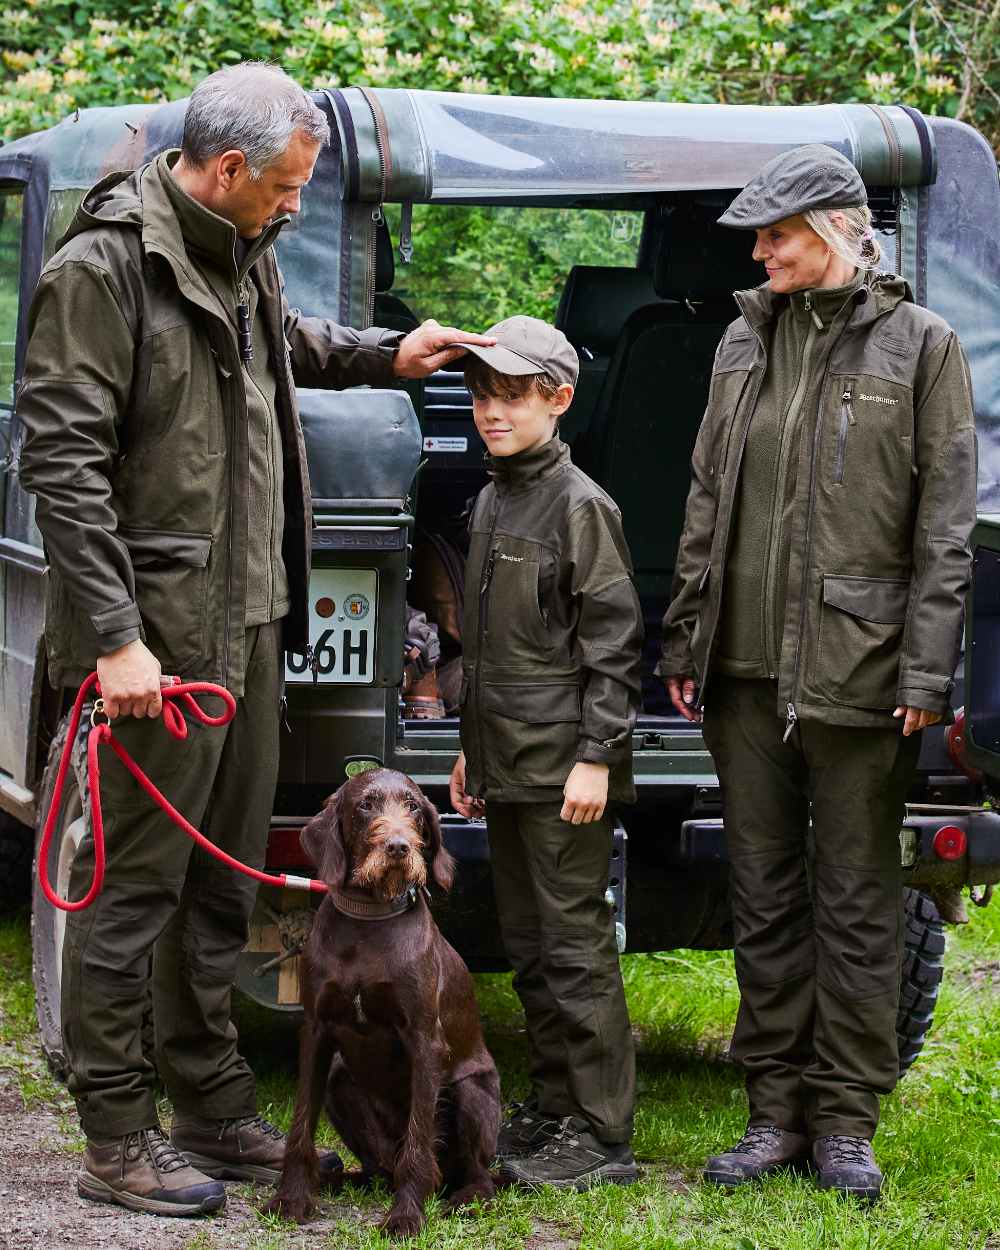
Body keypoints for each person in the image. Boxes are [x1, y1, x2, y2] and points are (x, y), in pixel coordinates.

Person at [17, 62, 494, 1217]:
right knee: (132, 894)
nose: (296, 203)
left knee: (221, 889)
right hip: (156, 646)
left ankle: (211, 1102)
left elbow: (282, 342)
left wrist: (387, 352)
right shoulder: (103, 270)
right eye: (285, 186)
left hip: (247, 628)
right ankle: (117, 1132)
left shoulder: (241, 249)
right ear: (227, 168)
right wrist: (117, 638)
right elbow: (62, 463)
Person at [658, 144, 976, 1200]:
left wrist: (925, 671)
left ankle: (844, 1122)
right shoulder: (740, 340)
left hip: (863, 668)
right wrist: (687, 636)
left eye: (777, 235)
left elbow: (944, 527)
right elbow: (706, 497)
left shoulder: (922, 345)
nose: (760, 253)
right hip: (742, 671)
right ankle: (774, 1113)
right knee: (762, 895)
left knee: (856, 900)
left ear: (838, 229)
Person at [448, 316, 644, 1190]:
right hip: (508, 765)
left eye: (513, 396)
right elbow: (489, 650)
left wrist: (597, 756)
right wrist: (471, 753)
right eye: (482, 395)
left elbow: (614, 645)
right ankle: (556, 1104)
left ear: (558, 400)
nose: (493, 412)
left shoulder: (580, 506)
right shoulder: (493, 498)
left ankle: (602, 1135)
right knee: (528, 944)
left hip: (566, 770)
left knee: (575, 947)